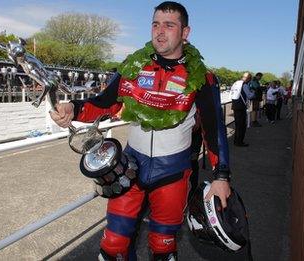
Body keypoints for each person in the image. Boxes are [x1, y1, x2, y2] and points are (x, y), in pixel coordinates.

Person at [50, 2, 231, 260]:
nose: (160, 31)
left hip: (173, 171)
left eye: (169, 25)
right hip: (130, 167)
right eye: (155, 24)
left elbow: (214, 130)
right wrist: (73, 109)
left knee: (163, 247)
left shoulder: (203, 77)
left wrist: (221, 176)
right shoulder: (132, 67)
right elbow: (105, 103)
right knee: (113, 245)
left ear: (185, 32)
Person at [230, 72, 254, 147]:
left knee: (237, 125)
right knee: (242, 125)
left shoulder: (236, 83)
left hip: (235, 105)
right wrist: (254, 92)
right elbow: (249, 96)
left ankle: (236, 141)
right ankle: (239, 142)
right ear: (249, 79)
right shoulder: (245, 85)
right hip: (241, 107)